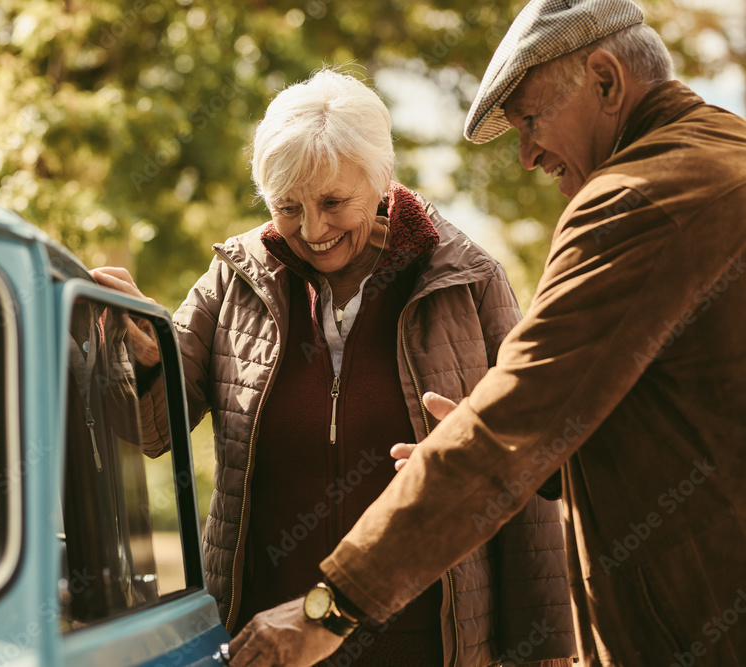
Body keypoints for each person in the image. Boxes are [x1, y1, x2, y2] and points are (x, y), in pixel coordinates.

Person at [226, 0, 746, 665]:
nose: (527, 154)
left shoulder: (635, 200)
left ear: (608, 82)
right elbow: (672, 421)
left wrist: (326, 608)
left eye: (530, 118)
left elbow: (508, 429)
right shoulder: (723, 154)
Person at [93, 69, 576, 665]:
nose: (313, 231)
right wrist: (142, 358)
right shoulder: (234, 278)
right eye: (288, 207)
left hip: (424, 643)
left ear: (381, 183)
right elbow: (153, 431)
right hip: (264, 639)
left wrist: (545, 645)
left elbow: (524, 467)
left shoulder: (468, 280)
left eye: (332, 202)